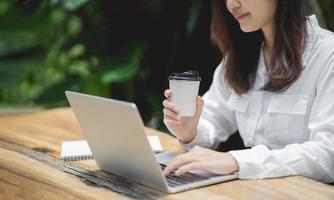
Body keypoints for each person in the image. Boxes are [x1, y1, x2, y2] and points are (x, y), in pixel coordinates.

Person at [162, 0, 334, 183]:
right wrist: (190, 131)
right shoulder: (242, 53)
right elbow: (212, 119)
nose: (231, 5)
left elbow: (328, 154)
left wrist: (237, 161)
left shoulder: (326, 55)